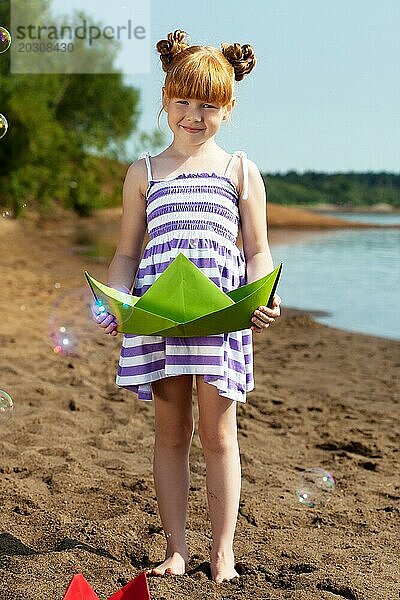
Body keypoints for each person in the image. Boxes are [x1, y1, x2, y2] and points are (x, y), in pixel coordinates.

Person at [92, 29, 281, 583]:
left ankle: (222, 552)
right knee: (171, 433)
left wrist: (264, 293)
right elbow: (127, 253)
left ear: (228, 109)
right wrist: (119, 301)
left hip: (221, 317)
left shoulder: (240, 170)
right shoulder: (143, 172)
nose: (193, 115)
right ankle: (175, 549)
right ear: (165, 101)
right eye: (183, 101)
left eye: (208, 105)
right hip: (159, 317)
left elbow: (258, 248)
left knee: (220, 435)